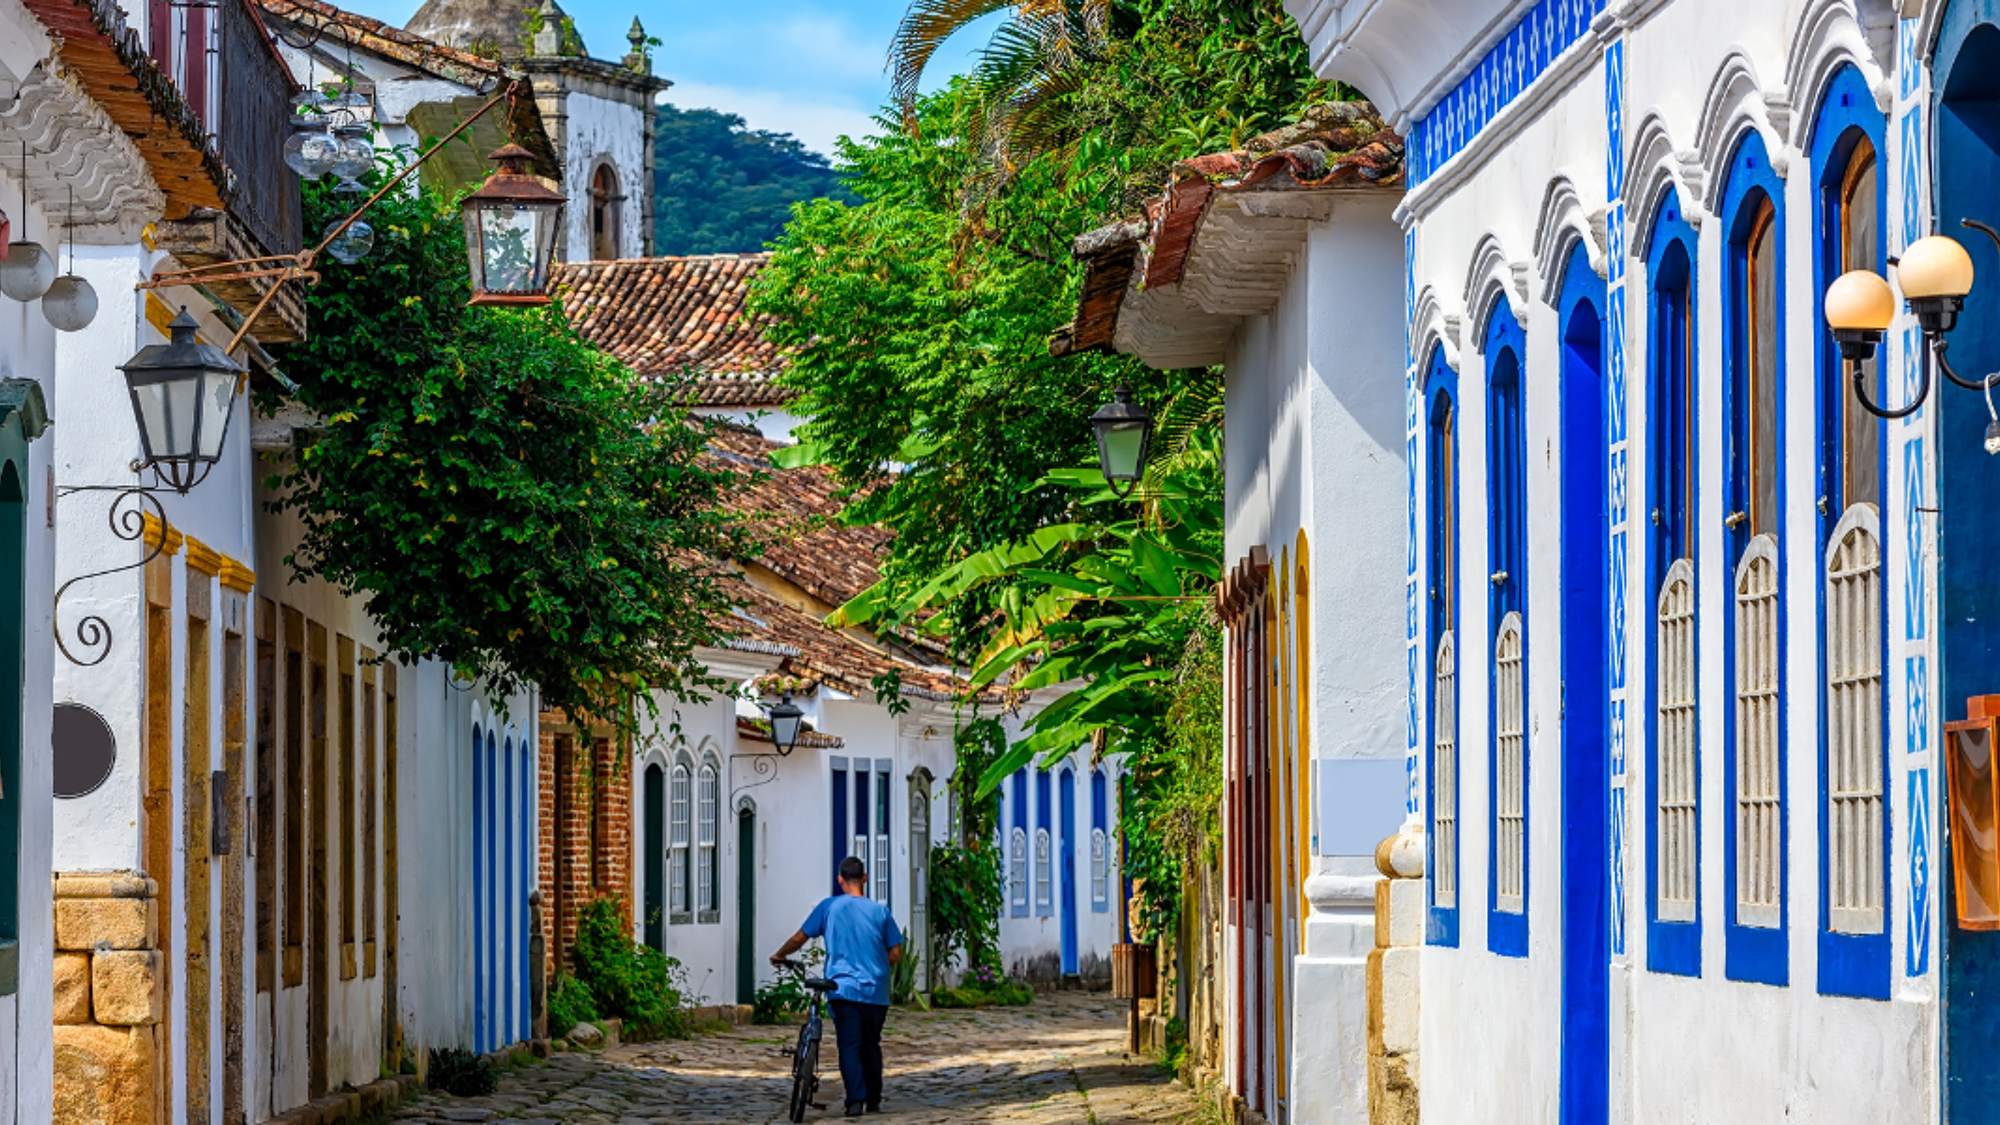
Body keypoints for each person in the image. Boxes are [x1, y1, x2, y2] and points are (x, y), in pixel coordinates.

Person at [771, 856, 905, 1117]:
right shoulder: (881, 912)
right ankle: (874, 1098)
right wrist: (877, 965)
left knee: (849, 1045)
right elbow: (896, 954)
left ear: (840, 880)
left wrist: (780, 955)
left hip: (842, 990)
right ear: (864, 879)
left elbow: (800, 937)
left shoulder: (828, 907)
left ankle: (855, 1101)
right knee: (871, 1044)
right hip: (875, 991)